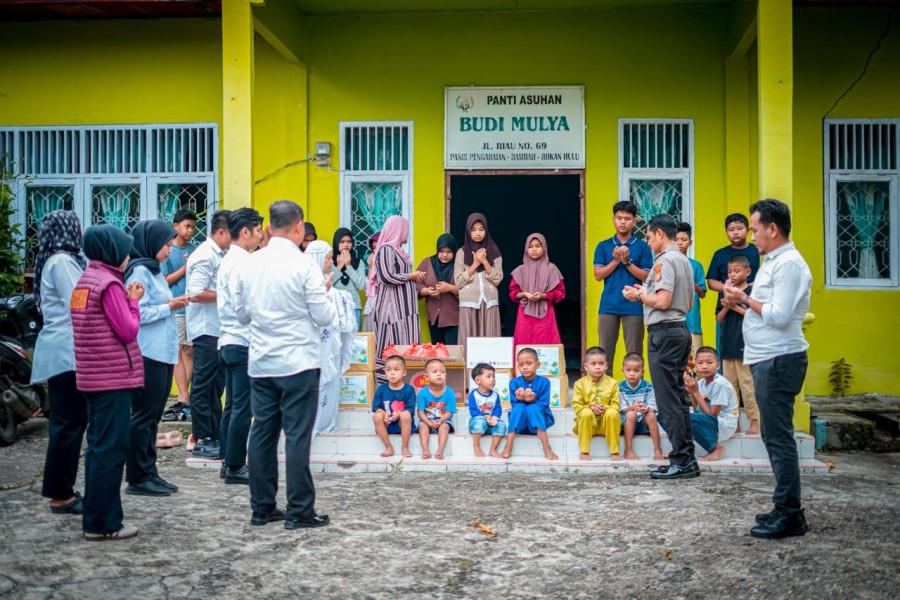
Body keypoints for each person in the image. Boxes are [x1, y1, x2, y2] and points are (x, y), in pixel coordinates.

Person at [235, 200, 336, 530]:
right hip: (299, 361)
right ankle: (299, 510)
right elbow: (323, 316)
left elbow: (241, 314)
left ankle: (262, 507)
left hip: (262, 360)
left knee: (262, 432)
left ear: (267, 227)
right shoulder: (304, 264)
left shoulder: (250, 263)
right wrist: (323, 291)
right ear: (299, 227)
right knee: (296, 436)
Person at [723, 198, 812, 539]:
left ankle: (791, 514)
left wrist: (743, 299)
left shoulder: (789, 264)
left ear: (772, 229)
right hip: (766, 358)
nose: (751, 236)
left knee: (778, 437)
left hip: (779, 359)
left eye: (755, 229)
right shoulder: (774, 262)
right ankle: (783, 505)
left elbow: (779, 316)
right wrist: (741, 300)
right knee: (772, 436)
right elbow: (766, 311)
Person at [70, 225, 144, 541]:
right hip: (111, 378)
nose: (128, 257)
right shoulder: (109, 284)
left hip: (93, 376)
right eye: (125, 251)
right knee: (111, 451)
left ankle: (96, 518)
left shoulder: (85, 280)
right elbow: (127, 330)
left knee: (98, 449)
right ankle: (104, 524)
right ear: (112, 251)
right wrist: (133, 302)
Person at [622, 213, 697, 480]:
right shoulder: (684, 260)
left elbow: (663, 301)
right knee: (677, 397)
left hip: (664, 333)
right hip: (679, 329)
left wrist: (639, 295)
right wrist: (645, 294)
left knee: (667, 400)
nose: (648, 241)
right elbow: (687, 303)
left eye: (650, 236)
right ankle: (687, 458)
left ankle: (682, 461)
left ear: (660, 234)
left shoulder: (664, 261)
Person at [124, 220, 185, 497]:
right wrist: (169, 306)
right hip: (147, 351)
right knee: (143, 416)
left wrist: (171, 304)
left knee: (153, 417)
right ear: (151, 243)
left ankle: (149, 471)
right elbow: (137, 312)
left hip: (162, 352)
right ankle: (137, 476)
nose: (169, 250)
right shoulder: (138, 271)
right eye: (166, 245)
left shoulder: (154, 270)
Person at [32, 211, 88, 516]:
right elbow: (79, 302)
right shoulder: (63, 262)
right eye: (77, 226)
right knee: (68, 424)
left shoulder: (56, 260)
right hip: (67, 351)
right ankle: (60, 495)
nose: (80, 231)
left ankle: (61, 490)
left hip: (63, 350)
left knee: (68, 423)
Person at [216, 208, 263, 484]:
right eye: (257, 230)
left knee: (232, 406)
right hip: (241, 339)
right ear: (245, 231)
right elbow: (244, 304)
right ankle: (234, 465)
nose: (260, 235)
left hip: (228, 340)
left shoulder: (230, 259)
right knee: (242, 409)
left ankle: (227, 461)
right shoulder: (243, 262)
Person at [185, 210, 231, 459]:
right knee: (203, 384)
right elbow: (194, 292)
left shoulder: (222, 253)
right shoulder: (205, 255)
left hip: (218, 328)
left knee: (216, 386)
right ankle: (202, 437)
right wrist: (228, 295)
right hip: (205, 329)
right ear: (221, 232)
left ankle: (215, 434)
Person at [593, 201, 652, 374]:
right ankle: (606, 388)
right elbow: (598, 275)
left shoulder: (642, 247)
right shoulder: (603, 246)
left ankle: (635, 387)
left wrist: (627, 262)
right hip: (608, 305)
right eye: (619, 218)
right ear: (613, 219)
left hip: (634, 305)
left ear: (634, 221)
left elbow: (646, 276)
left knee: (634, 352)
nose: (623, 222)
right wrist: (615, 260)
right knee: (604, 353)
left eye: (627, 218)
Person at [305, 240, 356, 435]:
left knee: (331, 379)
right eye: (327, 258)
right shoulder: (306, 284)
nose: (330, 262)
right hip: (314, 346)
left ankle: (327, 420)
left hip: (331, 343)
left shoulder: (328, 282)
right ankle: (313, 422)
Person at [372, 216, 425, 366]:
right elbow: (385, 276)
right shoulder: (386, 249)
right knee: (391, 343)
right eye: (405, 229)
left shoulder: (398, 251)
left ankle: (406, 376)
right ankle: (387, 377)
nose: (407, 233)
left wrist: (413, 277)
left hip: (404, 309)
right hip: (392, 309)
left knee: (406, 342)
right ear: (397, 230)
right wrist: (410, 276)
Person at [716, 255, 759, 434]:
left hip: (745, 345)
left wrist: (735, 307)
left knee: (747, 385)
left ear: (747, 271)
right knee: (730, 386)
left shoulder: (752, 292)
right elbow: (719, 318)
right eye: (729, 271)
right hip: (727, 344)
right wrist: (727, 306)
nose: (732, 275)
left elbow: (755, 315)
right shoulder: (725, 291)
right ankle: (735, 422)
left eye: (736, 271)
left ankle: (755, 421)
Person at [706, 213, 760, 354]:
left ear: (748, 230)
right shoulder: (720, 254)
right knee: (726, 344)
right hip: (727, 304)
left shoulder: (757, 250)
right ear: (726, 232)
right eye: (731, 229)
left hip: (752, 301)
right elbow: (711, 282)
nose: (735, 232)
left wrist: (751, 286)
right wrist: (729, 289)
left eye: (740, 228)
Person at [161, 209, 197, 417]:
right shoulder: (168, 250)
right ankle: (183, 396)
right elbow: (164, 280)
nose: (190, 231)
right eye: (187, 226)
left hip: (193, 307)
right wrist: (185, 268)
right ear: (175, 226)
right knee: (179, 349)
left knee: (189, 351)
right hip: (176, 306)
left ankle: (185, 395)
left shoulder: (194, 249)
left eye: (193, 227)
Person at [455, 213, 503, 350]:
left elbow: (498, 279)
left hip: (489, 303)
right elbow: (458, 282)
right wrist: (475, 264)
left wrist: (485, 262)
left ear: (486, 230)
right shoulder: (461, 252)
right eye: (474, 229)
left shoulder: (494, 251)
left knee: (490, 343)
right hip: (468, 303)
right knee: (468, 343)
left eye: (481, 229)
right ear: (468, 231)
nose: (478, 233)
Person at [683, 346, 738, 462]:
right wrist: (692, 393)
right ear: (695, 366)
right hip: (711, 421)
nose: (704, 366)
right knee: (672, 417)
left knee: (684, 418)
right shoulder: (701, 383)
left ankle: (716, 448)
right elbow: (697, 411)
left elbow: (712, 415)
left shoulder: (720, 384)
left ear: (717, 365)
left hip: (724, 424)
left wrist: (696, 392)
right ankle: (681, 450)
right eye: (700, 363)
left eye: (709, 362)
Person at [509, 233, 565, 347]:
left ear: (544, 248)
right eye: (530, 247)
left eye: (538, 246)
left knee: (545, 344)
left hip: (546, 314)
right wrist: (524, 294)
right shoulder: (520, 270)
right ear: (526, 249)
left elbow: (560, 293)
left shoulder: (552, 269)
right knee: (524, 345)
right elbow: (513, 293)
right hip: (524, 314)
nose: (534, 249)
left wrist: (543, 296)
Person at [504, 348, 558, 461]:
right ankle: (508, 446)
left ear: (537, 364)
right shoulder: (514, 382)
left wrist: (532, 401)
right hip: (520, 425)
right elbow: (514, 404)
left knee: (533, 408)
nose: (525, 367)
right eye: (521, 365)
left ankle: (547, 448)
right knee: (519, 407)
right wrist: (520, 400)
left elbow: (544, 404)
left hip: (538, 424)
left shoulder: (544, 382)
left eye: (529, 363)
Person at [571, 347, 621, 461]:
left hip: (606, 426)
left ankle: (614, 451)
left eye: (601, 363)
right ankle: (584, 451)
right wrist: (590, 407)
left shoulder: (613, 383)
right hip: (588, 425)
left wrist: (605, 407)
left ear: (606, 366)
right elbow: (577, 406)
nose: (598, 367)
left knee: (612, 413)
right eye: (593, 364)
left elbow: (616, 405)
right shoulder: (579, 384)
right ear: (586, 366)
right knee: (585, 413)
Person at [619, 353, 666, 461]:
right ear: (623, 370)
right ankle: (628, 450)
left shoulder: (649, 387)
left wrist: (646, 409)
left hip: (643, 425)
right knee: (631, 414)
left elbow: (653, 405)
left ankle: (657, 450)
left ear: (642, 372)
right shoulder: (620, 387)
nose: (632, 374)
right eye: (628, 370)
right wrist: (632, 407)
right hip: (627, 424)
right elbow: (621, 409)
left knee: (651, 415)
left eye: (636, 371)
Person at [416, 233, 460, 344]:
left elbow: (468, 289)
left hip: (454, 318)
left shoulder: (459, 265)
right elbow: (415, 283)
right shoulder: (427, 263)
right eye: (441, 251)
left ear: (454, 252)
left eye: (448, 252)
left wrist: (450, 288)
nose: (444, 255)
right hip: (433, 317)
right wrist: (426, 291)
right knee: (437, 350)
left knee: (452, 351)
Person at [371, 355, 416, 458]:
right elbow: (376, 408)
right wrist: (384, 414)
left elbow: (410, 410)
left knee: (406, 415)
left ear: (404, 372)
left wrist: (399, 414)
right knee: (377, 416)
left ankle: (405, 447)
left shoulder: (409, 389)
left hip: (402, 425)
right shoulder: (381, 389)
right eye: (388, 370)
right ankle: (388, 447)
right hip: (386, 425)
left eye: (396, 369)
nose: (392, 373)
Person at [675, 222, 707, 357]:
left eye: (684, 239)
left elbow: (703, 294)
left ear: (690, 242)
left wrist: (691, 283)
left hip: (692, 321)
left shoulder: (696, 265)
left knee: (694, 363)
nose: (680, 243)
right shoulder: (665, 264)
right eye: (676, 239)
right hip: (672, 322)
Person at [416, 358, 457, 460]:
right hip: (427, 420)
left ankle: (440, 450)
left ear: (446, 374)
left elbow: (449, 412)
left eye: (442, 372)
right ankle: (425, 450)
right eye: (434, 372)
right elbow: (420, 412)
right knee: (422, 427)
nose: (439, 374)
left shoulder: (450, 392)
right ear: (426, 376)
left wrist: (441, 420)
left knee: (444, 427)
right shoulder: (422, 392)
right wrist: (427, 421)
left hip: (444, 420)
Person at [467, 363, 507, 458]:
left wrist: (494, 418)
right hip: (476, 424)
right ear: (478, 380)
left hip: (490, 424)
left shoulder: (495, 395)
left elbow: (497, 409)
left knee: (501, 424)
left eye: (493, 376)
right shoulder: (473, 394)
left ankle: (493, 449)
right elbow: (473, 411)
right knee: (480, 421)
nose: (492, 379)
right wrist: (485, 416)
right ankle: (476, 446)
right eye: (488, 376)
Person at [331, 227, 367, 330]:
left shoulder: (358, 262)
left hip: (354, 307)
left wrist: (348, 266)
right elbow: (327, 284)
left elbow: (362, 285)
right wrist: (339, 266)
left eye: (349, 241)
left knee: (354, 338)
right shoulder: (330, 261)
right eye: (342, 242)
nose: (346, 245)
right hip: (334, 307)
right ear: (336, 243)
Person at [361, 231, 380, 333]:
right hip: (372, 306)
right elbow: (369, 289)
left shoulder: (390, 262)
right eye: (373, 248)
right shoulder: (372, 264)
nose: (375, 251)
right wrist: (371, 267)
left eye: (378, 247)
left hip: (384, 310)